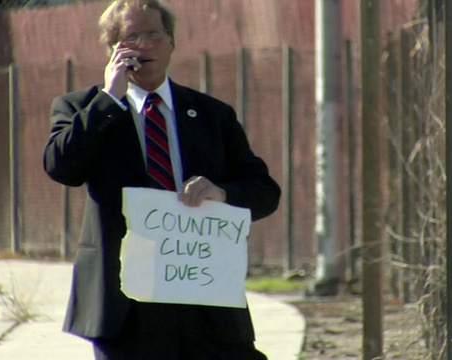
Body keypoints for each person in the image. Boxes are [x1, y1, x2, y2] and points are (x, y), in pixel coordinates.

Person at [42, 0, 281, 358]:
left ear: (171, 42)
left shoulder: (211, 115)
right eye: (131, 36)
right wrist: (110, 98)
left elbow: (264, 191)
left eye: (153, 33)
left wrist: (222, 193)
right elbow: (62, 167)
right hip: (127, 307)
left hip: (204, 296)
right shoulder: (84, 108)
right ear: (113, 49)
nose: (144, 45)